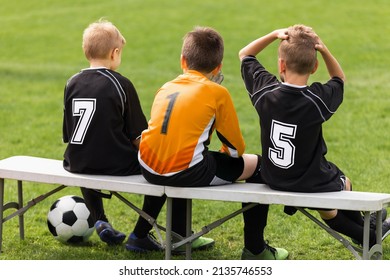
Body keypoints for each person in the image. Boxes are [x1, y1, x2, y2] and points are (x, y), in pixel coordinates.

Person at [126, 26, 288, 260]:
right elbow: (235, 148)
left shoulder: (166, 86)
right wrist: (224, 153)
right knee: (259, 165)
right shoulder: (217, 92)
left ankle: (160, 235)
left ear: (183, 60)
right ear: (218, 67)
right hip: (183, 171)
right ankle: (256, 249)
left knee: (180, 156)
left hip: (147, 165)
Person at [238, 24, 390, 249]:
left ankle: (368, 230)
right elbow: (338, 78)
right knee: (343, 183)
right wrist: (324, 49)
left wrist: (273, 34)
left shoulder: (265, 92)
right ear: (315, 66)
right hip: (310, 181)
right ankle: (367, 232)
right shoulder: (317, 100)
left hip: (274, 177)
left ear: (281, 64)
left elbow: (245, 54)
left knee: (333, 187)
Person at [62, 19, 148, 245]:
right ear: (115, 53)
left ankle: (99, 219)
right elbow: (139, 137)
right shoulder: (121, 84)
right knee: (162, 169)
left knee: (87, 153)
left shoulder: (72, 83)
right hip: (118, 166)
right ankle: (141, 233)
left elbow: (69, 135)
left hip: (76, 163)